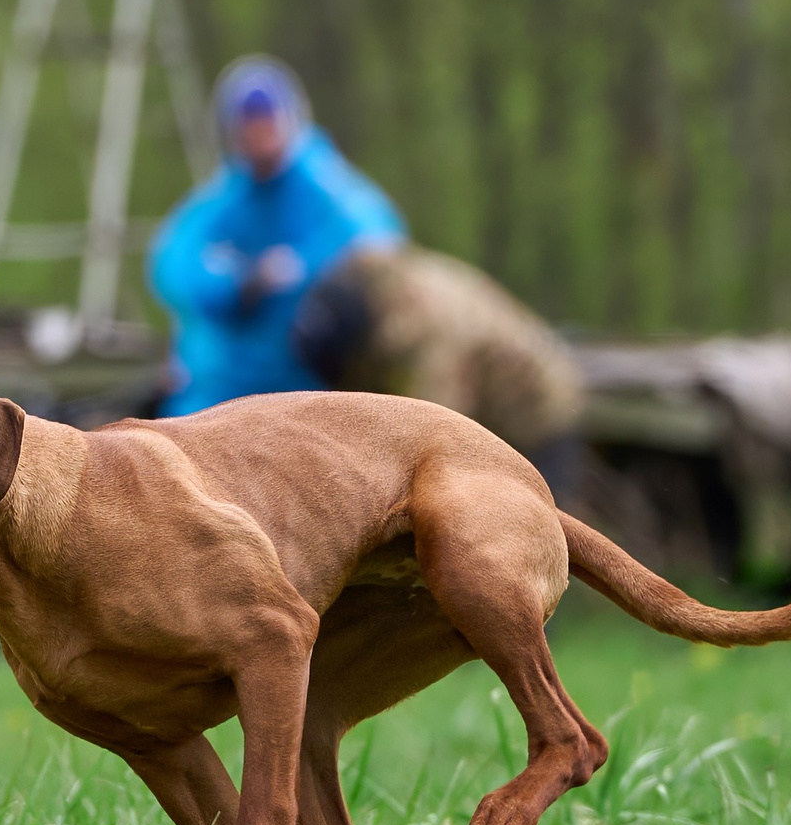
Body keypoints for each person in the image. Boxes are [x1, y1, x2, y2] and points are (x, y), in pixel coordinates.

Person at [147, 57, 405, 415]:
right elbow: (172, 264)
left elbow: (379, 243)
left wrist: (305, 272)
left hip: (306, 393)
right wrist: (241, 284)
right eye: (248, 126)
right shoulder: (227, 197)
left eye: (267, 123)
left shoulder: (328, 189)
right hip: (215, 396)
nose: (259, 136)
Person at [292, 244, 592, 505]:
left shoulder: (426, 337)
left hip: (534, 410)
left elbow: (439, 434)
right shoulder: (360, 293)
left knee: (530, 535)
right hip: (484, 389)